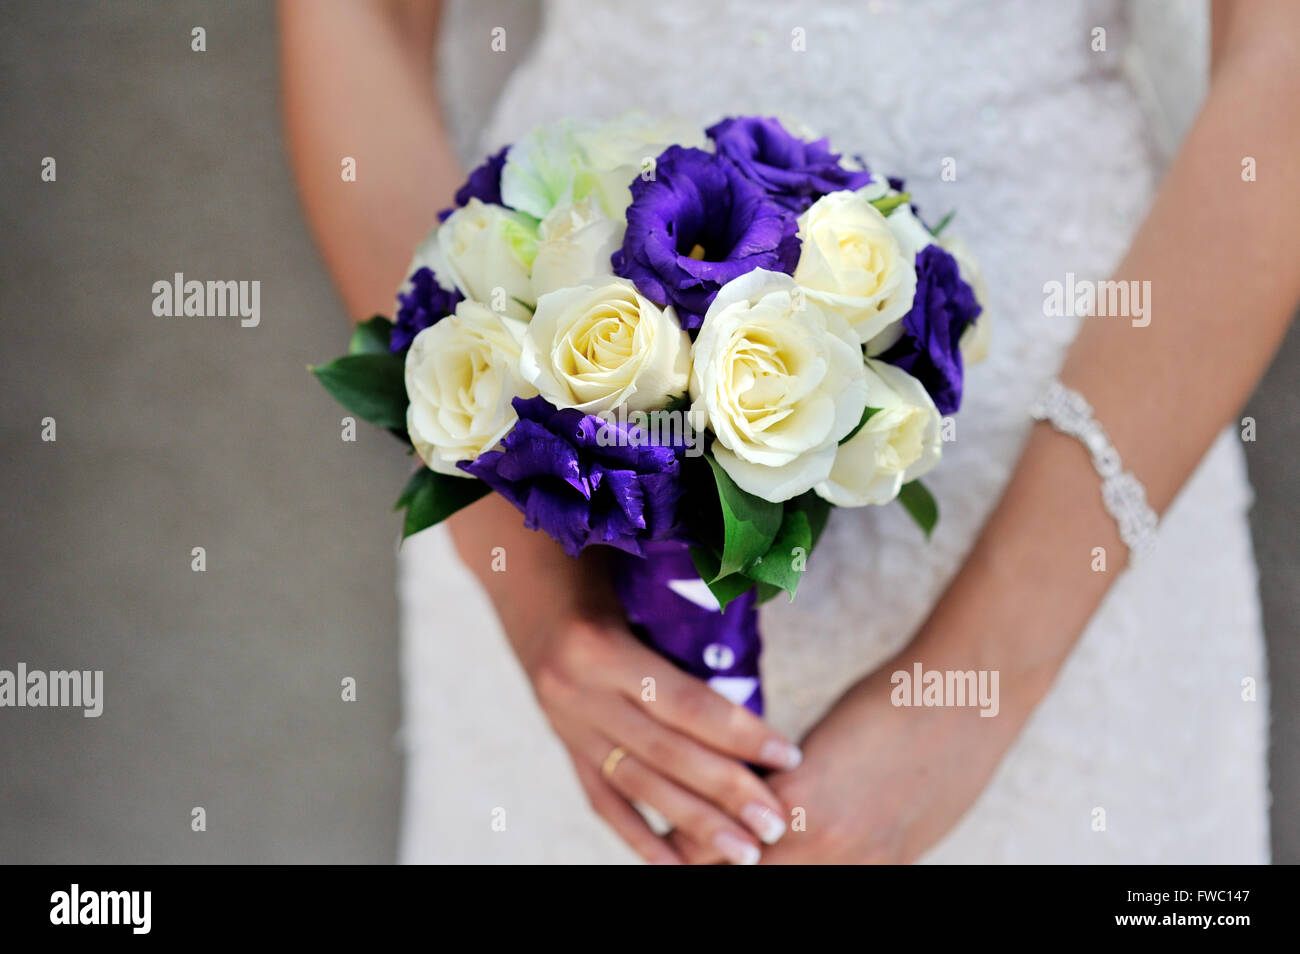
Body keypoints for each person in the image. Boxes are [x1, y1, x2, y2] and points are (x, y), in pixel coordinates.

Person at [279, 0, 1297, 863]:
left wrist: (979, 689)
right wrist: (533, 591)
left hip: (1061, 461)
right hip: (554, 440)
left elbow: (1279, 63)